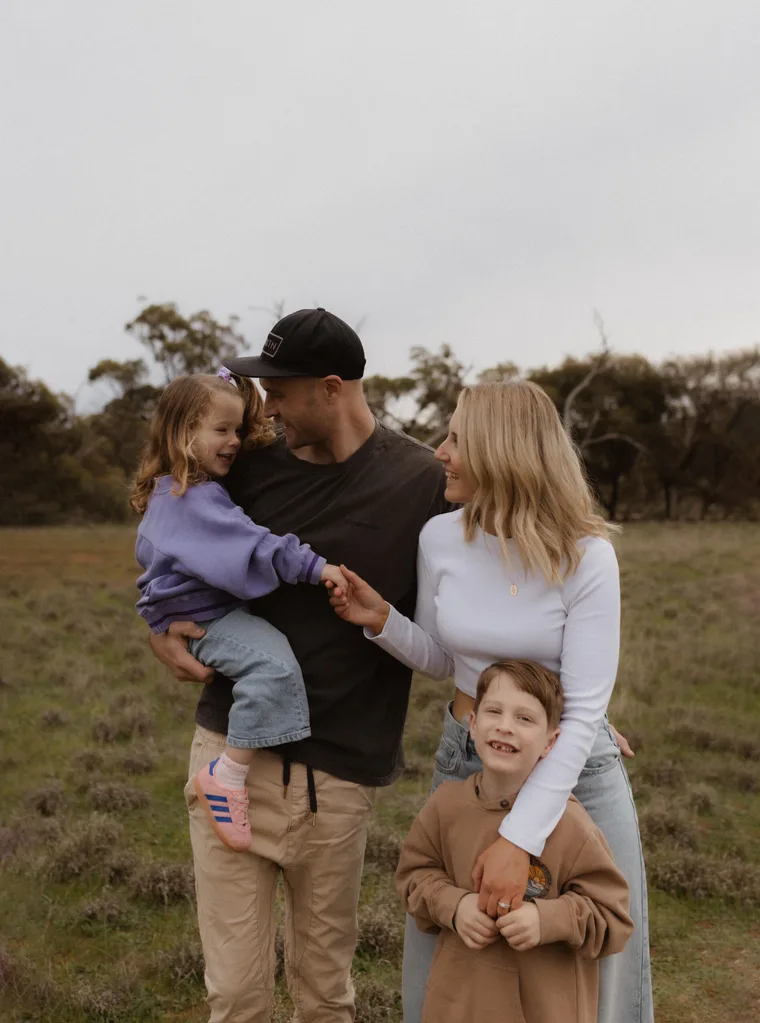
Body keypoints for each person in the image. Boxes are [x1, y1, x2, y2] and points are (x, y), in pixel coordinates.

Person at [146, 308, 448, 1022]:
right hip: (230, 760)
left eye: (279, 391)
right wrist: (155, 623)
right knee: (239, 997)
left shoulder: (419, 483)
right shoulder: (244, 471)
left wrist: (578, 702)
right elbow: (170, 538)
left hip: (337, 780)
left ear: (333, 387)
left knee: (324, 996)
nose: (266, 407)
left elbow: (481, 599)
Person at [330, 379, 654, 1023]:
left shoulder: (588, 556)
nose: (440, 451)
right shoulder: (440, 538)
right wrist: (382, 620)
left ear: (501, 451)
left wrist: (518, 839)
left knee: (592, 972)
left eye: (456, 438)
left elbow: (585, 708)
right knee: (451, 955)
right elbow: (450, 659)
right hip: (467, 762)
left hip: (572, 771)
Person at [131, 370, 347, 852]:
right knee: (272, 669)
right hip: (206, 617)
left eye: (237, 430)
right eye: (220, 431)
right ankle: (227, 776)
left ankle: (232, 771)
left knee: (270, 664)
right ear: (182, 434)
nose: (233, 442)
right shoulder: (196, 498)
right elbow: (252, 546)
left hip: (194, 614)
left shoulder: (174, 489)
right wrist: (315, 567)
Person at [396, 658, 633, 1023]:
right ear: (472, 726)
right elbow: (412, 877)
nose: (505, 727)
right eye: (494, 712)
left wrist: (546, 919)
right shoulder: (445, 807)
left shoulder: (572, 826)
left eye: (525, 719)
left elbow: (613, 919)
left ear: (551, 743)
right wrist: (455, 906)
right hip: (458, 1007)